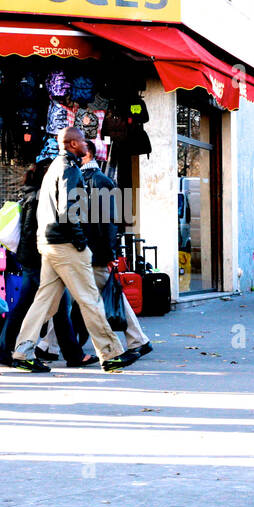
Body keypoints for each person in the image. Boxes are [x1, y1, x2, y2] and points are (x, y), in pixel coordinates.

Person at [10, 127, 133, 373]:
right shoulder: (70, 169)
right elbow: (69, 210)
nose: (87, 146)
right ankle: (111, 354)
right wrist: (80, 242)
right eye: (83, 142)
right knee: (89, 299)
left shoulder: (54, 168)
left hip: (49, 243)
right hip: (66, 245)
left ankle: (22, 352)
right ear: (74, 143)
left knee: (44, 301)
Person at [0, 160, 93, 368]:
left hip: (37, 258)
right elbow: (32, 233)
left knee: (53, 307)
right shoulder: (39, 197)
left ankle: (71, 354)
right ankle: (7, 351)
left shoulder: (35, 195)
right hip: (38, 259)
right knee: (39, 306)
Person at [78, 144, 152, 361]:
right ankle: (138, 339)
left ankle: (49, 345)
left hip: (93, 252)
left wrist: (109, 254)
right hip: (90, 251)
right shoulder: (89, 179)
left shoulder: (98, 181)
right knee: (77, 297)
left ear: (87, 154)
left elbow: (109, 222)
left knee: (80, 297)